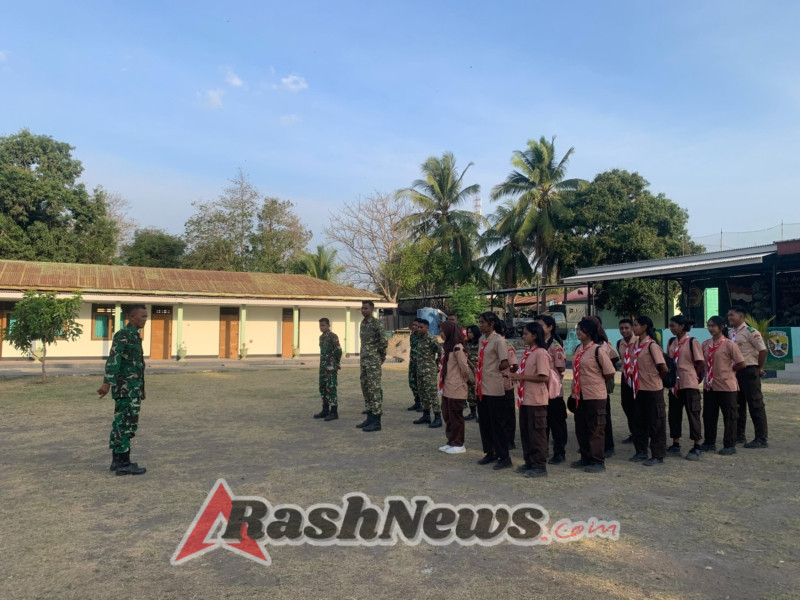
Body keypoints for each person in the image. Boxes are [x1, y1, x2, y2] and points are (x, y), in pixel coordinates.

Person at [97, 304, 148, 476]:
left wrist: (141, 388)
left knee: (122, 424)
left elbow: (136, 366)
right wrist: (107, 383)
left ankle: (117, 461)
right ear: (132, 317)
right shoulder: (123, 335)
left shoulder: (134, 335)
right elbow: (114, 359)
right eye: (142, 316)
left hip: (133, 389)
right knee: (126, 425)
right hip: (126, 389)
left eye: (146, 316)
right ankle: (124, 464)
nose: (145, 319)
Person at [569, 317, 616, 473]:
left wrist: (595, 382)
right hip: (579, 395)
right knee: (581, 427)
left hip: (595, 395)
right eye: (577, 329)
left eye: (581, 330)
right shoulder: (578, 349)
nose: (578, 332)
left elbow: (609, 372)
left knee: (596, 429)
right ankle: (585, 457)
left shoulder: (598, 350)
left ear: (589, 332)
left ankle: (597, 460)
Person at [510, 322, 551, 478]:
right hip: (525, 399)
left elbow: (544, 377)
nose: (523, 336)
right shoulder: (529, 352)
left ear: (534, 335)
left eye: (526, 334)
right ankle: (529, 462)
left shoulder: (541, 353)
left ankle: (539, 466)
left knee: (537, 434)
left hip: (536, 400)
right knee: (527, 433)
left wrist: (521, 377)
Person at [701, 316, 746, 455]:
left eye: (713, 326)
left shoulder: (729, 344)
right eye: (708, 325)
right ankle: (709, 442)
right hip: (710, 385)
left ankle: (729, 444)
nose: (710, 328)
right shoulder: (706, 344)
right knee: (708, 415)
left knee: (729, 416)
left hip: (726, 385)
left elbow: (742, 363)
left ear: (721, 327)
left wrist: (731, 369)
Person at [628, 316, 668, 467]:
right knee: (639, 421)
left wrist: (655, 379)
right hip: (638, 389)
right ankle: (641, 451)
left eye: (636, 325)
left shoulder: (652, 346)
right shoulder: (635, 345)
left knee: (656, 422)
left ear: (645, 327)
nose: (633, 328)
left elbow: (663, 367)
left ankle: (658, 455)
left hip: (652, 389)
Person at [476, 312, 513, 470]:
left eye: (483, 322)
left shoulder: (498, 340)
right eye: (480, 322)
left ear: (491, 324)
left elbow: (505, 362)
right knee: (485, 422)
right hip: (481, 386)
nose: (480, 325)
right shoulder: (481, 340)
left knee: (498, 423)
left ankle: (504, 456)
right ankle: (489, 451)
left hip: (494, 387)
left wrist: (493, 370)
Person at [727, 307, 769, 448]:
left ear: (741, 316)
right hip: (736, 372)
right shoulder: (731, 332)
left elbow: (763, 350)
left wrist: (758, 368)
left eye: (732, 315)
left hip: (749, 371)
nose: (729, 318)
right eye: (728, 315)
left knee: (755, 404)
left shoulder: (750, 332)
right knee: (738, 405)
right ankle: (739, 435)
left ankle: (761, 438)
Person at [665, 315, 704, 459]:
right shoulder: (671, 342)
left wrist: (694, 376)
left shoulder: (692, 342)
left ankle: (697, 444)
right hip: (674, 385)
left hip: (688, 383)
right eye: (670, 326)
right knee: (674, 414)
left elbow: (700, 362)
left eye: (673, 325)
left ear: (682, 326)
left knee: (693, 413)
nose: (671, 328)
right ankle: (675, 442)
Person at [535, 315, 567, 464]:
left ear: (550, 328)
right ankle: (543, 449)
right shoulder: (538, 345)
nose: (538, 328)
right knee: (543, 423)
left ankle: (559, 452)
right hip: (540, 390)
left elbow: (560, 368)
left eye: (541, 325)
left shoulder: (554, 345)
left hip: (553, 391)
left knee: (557, 423)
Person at [587, 315, 619, 458]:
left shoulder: (603, 344)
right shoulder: (586, 344)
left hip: (601, 382)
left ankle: (608, 445)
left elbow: (614, 358)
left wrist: (603, 374)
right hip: (589, 386)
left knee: (603, 414)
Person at [438, 320, 472, 454]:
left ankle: (458, 443)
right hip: (447, 387)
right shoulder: (448, 347)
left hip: (456, 387)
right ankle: (451, 441)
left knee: (455, 416)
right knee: (447, 414)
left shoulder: (458, 347)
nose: (441, 334)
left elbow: (465, 368)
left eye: (442, 331)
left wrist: (461, 381)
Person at [356, 300, 387, 432]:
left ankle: (376, 421)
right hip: (364, 360)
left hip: (373, 361)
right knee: (366, 387)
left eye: (366, 308)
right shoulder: (363, 323)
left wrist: (380, 355)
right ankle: (369, 417)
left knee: (374, 389)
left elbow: (383, 341)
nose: (363, 310)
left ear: (372, 309)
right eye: (362, 308)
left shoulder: (376, 323)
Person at [413, 318, 443, 428]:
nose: (419, 329)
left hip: (429, 371)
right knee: (422, 393)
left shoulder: (431, 339)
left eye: (421, 327)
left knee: (432, 394)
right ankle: (426, 416)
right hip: (420, 370)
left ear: (427, 328)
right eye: (418, 327)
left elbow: (439, 351)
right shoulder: (419, 338)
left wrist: (437, 364)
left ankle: (438, 418)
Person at [314, 318, 343, 422]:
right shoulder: (321, 337)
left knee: (331, 387)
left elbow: (339, 350)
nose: (322, 327)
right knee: (323, 387)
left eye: (324, 325)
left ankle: (334, 412)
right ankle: (325, 410)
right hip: (323, 366)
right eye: (320, 325)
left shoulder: (333, 336)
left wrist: (336, 362)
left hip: (330, 366)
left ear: (328, 325)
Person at [496, 320, 519, 449]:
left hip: (505, 383)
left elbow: (514, 365)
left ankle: (509, 439)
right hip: (493, 383)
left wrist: (509, 375)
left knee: (508, 412)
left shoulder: (506, 344)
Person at [617, 319, 636, 444]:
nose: (624, 330)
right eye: (621, 328)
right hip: (625, 376)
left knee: (639, 406)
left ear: (632, 328)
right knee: (626, 404)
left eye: (627, 328)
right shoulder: (620, 343)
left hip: (637, 377)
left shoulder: (640, 341)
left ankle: (643, 432)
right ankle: (634, 432)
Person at [463, 325, 481, 422]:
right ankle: (473, 413)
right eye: (468, 332)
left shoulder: (480, 343)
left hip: (480, 371)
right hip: (470, 370)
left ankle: (481, 414)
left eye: (471, 332)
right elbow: (465, 356)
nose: (469, 334)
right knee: (470, 393)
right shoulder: (466, 344)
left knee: (478, 393)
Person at [406, 319, 423, 412]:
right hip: (412, 363)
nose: (414, 327)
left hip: (420, 364)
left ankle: (422, 404)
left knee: (420, 384)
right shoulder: (412, 336)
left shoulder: (423, 337)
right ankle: (417, 402)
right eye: (413, 325)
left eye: (416, 325)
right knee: (412, 383)